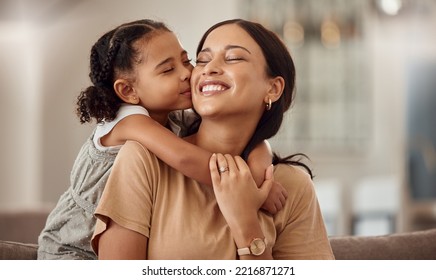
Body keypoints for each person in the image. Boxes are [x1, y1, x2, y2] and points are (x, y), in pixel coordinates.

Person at [37, 19, 285, 260]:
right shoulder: (130, 122)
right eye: (168, 69)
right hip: (71, 250)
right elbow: (186, 157)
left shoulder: (174, 118)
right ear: (128, 91)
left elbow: (249, 138)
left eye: (186, 61)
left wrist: (260, 158)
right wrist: (249, 185)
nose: (187, 74)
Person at [91, 18, 334, 260]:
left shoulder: (292, 186)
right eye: (203, 59)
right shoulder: (142, 158)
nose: (208, 69)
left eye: (233, 58)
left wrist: (246, 224)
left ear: (272, 88)